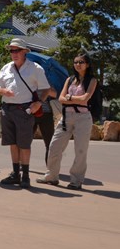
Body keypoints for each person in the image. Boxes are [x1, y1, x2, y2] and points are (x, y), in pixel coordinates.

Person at [37, 52, 97, 190]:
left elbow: (84, 99)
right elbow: (60, 98)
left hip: (83, 118)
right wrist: (72, 99)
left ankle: (76, 180)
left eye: (81, 62)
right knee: (54, 146)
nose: (77, 64)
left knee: (81, 151)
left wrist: (69, 98)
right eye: (75, 62)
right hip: (66, 117)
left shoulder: (92, 80)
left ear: (87, 64)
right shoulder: (69, 79)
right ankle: (51, 176)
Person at [0, 38, 50, 188]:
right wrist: (3, 90)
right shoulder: (6, 68)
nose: (14, 53)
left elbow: (46, 89)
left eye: (17, 50)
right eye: (12, 50)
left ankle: (25, 176)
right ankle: (15, 174)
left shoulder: (35, 68)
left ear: (25, 52)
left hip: (25, 110)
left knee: (24, 144)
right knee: (12, 143)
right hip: (8, 109)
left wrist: (38, 103)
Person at [33, 86, 58, 165]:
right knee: (24, 141)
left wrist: (48, 90)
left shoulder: (46, 81)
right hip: (31, 113)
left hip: (46, 113)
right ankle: (22, 164)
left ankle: (50, 167)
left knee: (50, 143)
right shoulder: (27, 77)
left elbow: (56, 94)